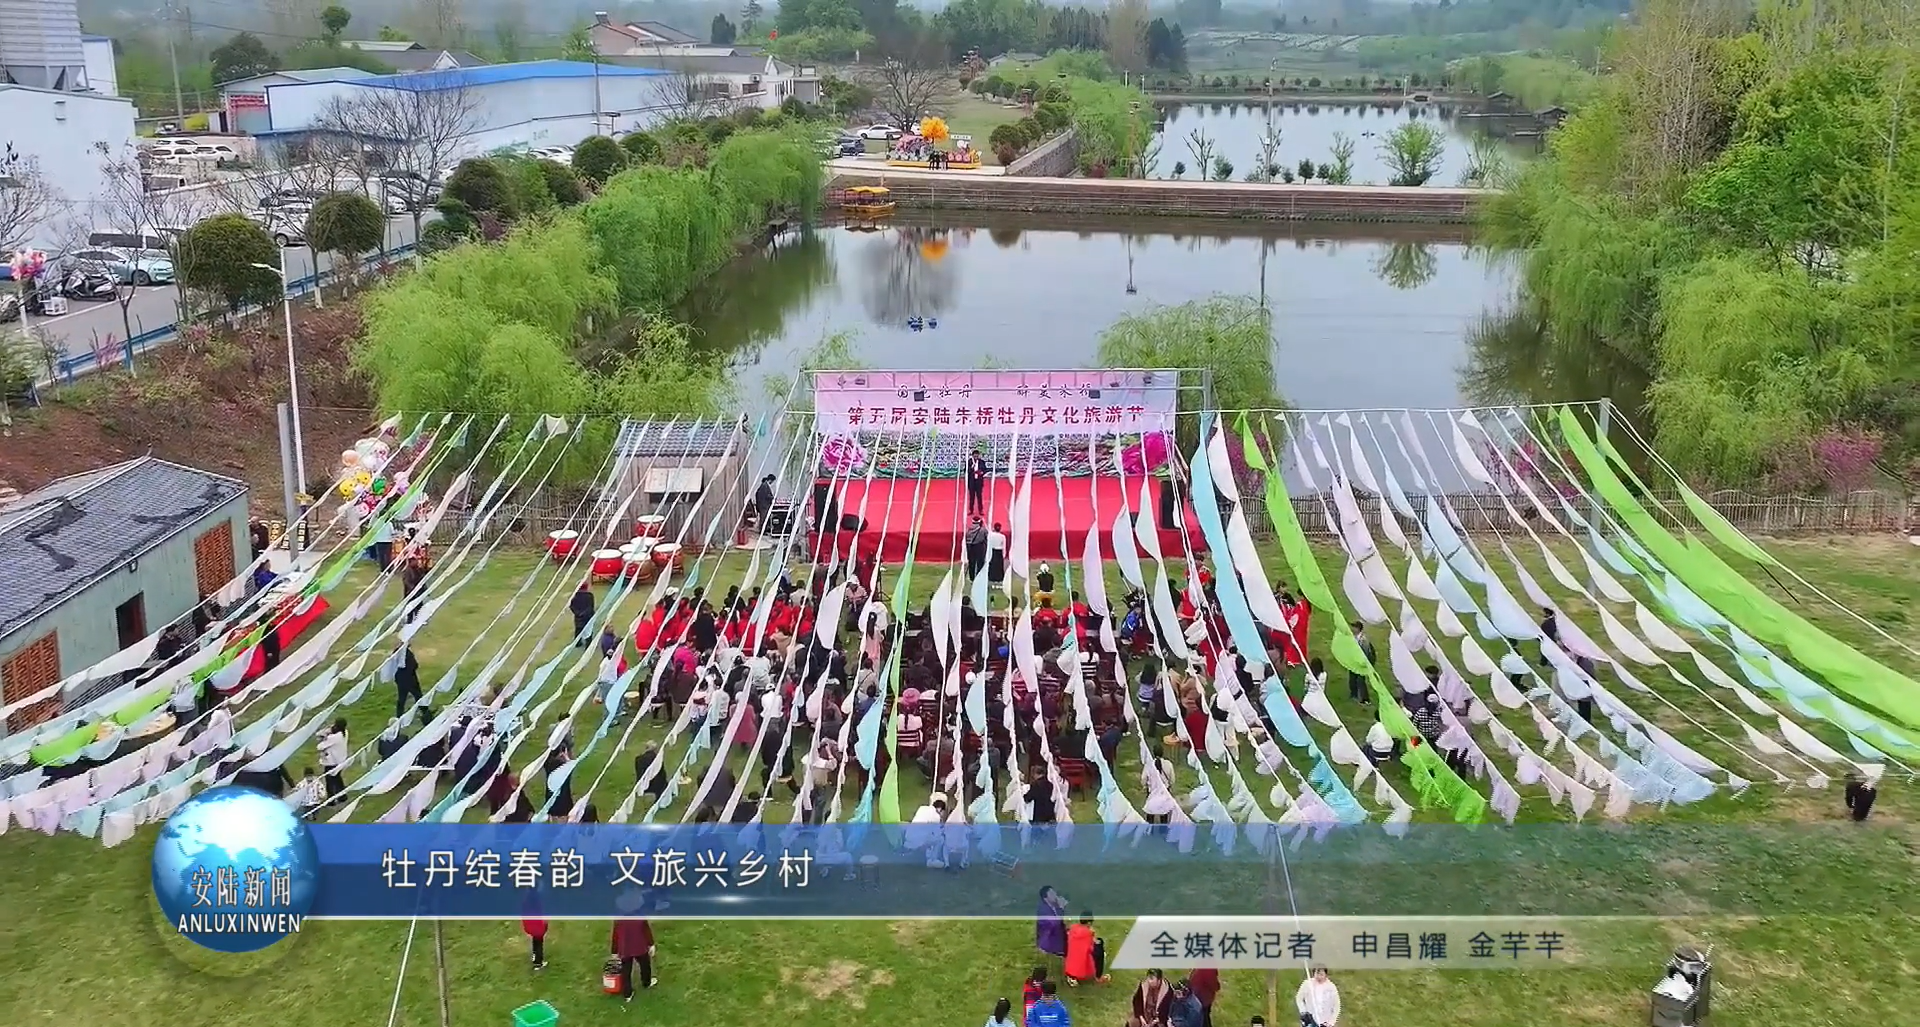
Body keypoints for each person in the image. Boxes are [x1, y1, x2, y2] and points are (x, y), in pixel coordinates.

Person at [611, 918, 656, 999]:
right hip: (640, 947)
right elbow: (646, 930)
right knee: (645, 965)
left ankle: (627, 994)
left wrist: (614, 951)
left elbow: (615, 935)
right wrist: (651, 944)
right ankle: (647, 983)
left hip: (625, 949)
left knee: (626, 971)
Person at [1064, 911, 1108, 986]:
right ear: (1089, 922)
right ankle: (1098, 977)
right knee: (1100, 951)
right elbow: (1091, 947)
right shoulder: (1087, 932)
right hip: (1080, 959)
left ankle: (1071, 977)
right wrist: (1093, 936)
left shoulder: (1074, 927)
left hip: (1071, 960)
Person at [317, 718, 349, 797]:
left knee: (330, 781)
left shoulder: (335, 737)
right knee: (337, 778)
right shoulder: (345, 732)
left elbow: (320, 746)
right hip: (340, 760)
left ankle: (331, 799)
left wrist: (324, 737)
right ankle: (342, 796)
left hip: (332, 762)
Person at [1034, 886, 1068, 961]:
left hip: (1058, 944)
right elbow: (1054, 924)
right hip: (1049, 947)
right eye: (1052, 893)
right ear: (1045, 897)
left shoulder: (1054, 907)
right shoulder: (1043, 910)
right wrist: (1061, 908)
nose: (1055, 895)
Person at [1347, 623, 1374, 704]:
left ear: (1358, 629)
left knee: (1360, 681)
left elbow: (1365, 652)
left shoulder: (1363, 640)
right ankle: (1353, 694)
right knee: (1352, 679)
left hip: (1361, 664)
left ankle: (1365, 699)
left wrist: (1363, 664)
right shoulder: (1353, 637)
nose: (1352, 629)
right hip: (1354, 662)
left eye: (1354, 627)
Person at [393, 645, 422, 718]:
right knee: (418, 696)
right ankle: (426, 714)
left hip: (400, 680)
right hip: (410, 680)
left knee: (401, 699)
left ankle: (399, 716)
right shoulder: (407, 653)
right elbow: (414, 665)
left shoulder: (397, 652)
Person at [570, 582, 596, 648]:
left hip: (578, 616)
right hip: (588, 616)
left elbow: (571, 606)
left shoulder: (575, 596)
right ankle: (588, 645)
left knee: (578, 629)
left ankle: (577, 643)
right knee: (588, 630)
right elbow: (591, 606)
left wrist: (577, 613)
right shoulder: (589, 596)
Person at [966, 449, 988, 516]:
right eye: (974, 456)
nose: (976, 457)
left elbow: (985, 470)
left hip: (979, 482)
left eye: (977, 456)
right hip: (972, 482)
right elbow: (966, 470)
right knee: (971, 497)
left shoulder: (982, 462)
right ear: (972, 456)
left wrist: (981, 472)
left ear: (978, 456)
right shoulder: (969, 462)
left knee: (979, 497)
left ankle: (980, 510)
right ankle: (971, 510)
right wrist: (971, 467)